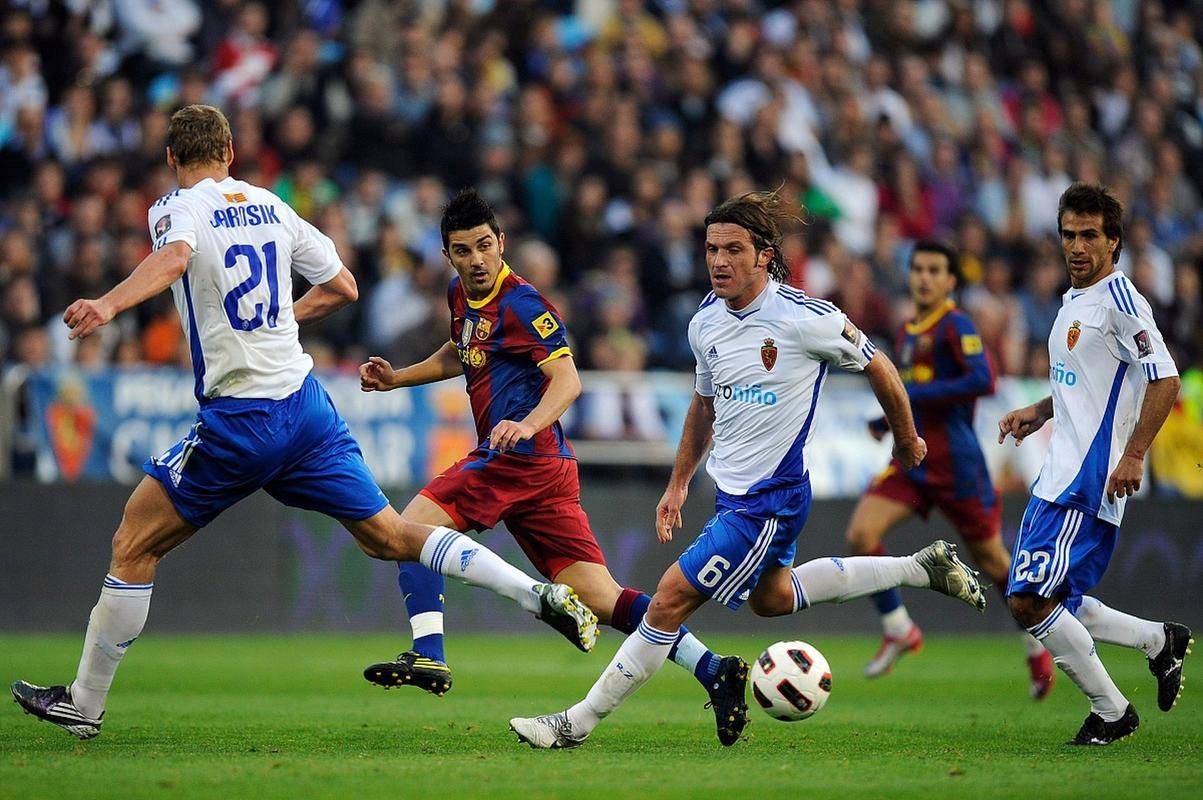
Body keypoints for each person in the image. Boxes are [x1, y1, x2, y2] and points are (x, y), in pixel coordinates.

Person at [9, 106, 596, 740]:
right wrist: (276, 322)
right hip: (308, 408)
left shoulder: (176, 206)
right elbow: (344, 285)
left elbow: (176, 257)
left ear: (173, 159)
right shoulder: (271, 205)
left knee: (133, 542)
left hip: (241, 417)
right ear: (230, 152)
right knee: (391, 536)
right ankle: (537, 595)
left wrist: (108, 302)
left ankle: (85, 704)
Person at [509, 191, 988, 749]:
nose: (719, 261)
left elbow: (879, 366)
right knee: (773, 598)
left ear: (765, 256)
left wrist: (907, 439)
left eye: (733, 250)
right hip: (732, 495)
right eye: (712, 249)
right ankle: (919, 568)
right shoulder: (705, 322)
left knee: (666, 600)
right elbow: (703, 405)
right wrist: (678, 482)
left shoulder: (806, 319)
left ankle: (574, 724)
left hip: (769, 499)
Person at [358, 189, 744, 744]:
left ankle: (429, 652)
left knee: (404, 531)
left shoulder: (523, 303)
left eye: (485, 246)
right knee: (603, 599)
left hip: (519, 458)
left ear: (502, 242)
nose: (476, 260)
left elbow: (568, 380)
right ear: (448, 255)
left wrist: (526, 424)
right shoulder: (460, 295)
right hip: (546, 470)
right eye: (463, 251)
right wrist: (399, 378)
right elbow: (461, 350)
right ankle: (714, 668)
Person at [997, 182, 1191, 745]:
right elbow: (1083, 385)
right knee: (1055, 598)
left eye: (1089, 236)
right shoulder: (1075, 301)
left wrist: (1134, 454)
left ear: (1113, 243)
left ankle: (1111, 710)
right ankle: (1158, 641)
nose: (1077, 247)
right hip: (1058, 473)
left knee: (1029, 599)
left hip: (1087, 479)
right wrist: (1038, 411)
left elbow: (1166, 378)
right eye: (1068, 235)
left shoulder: (1120, 300)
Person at [846, 241, 1053, 697]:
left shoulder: (956, 324)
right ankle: (899, 628)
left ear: (950, 280)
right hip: (913, 460)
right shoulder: (906, 331)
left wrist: (914, 394)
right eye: (918, 268)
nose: (924, 277)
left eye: (934, 270)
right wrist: (887, 420)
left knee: (994, 561)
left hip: (958, 466)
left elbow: (983, 379)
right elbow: (911, 396)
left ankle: (1038, 642)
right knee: (861, 534)